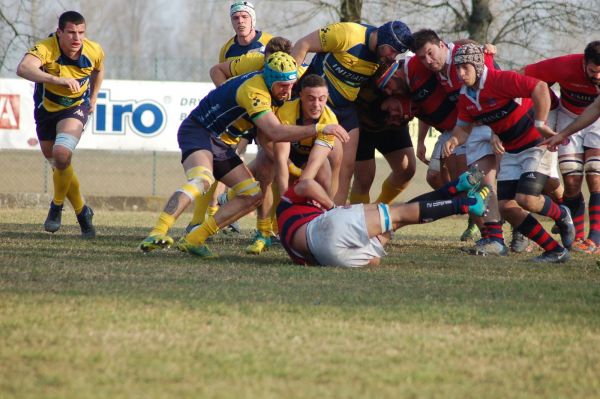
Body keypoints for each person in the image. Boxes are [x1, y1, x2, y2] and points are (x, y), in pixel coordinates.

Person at [139, 52, 349, 258]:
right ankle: (158, 232)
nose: (288, 91)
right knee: (201, 180)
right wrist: (319, 129)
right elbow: (275, 132)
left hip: (222, 143)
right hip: (199, 131)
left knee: (253, 195)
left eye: (291, 85)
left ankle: (195, 238)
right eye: (283, 86)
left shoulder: (285, 82)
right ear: (269, 79)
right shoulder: (254, 91)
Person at [443, 43, 576, 263]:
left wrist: (541, 122)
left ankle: (561, 214)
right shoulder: (466, 96)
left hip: (536, 144)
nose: (460, 73)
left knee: (526, 199)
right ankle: (555, 250)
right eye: (457, 69)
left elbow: (541, 87)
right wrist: (454, 140)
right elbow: (463, 126)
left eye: (465, 67)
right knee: (506, 207)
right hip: (512, 150)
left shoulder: (499, 80)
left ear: (477, 66)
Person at [291, 20, 413, 205]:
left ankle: (334, 219)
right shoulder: (348, 33)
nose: (393, 56)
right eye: (393, 50)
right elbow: (303, 44)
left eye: (398, 53)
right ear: (383, 39)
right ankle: (277, 221)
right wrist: (289, 85)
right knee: (301, 164)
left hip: (345, 109)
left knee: (345, 169)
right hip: (316, 104)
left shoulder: (381, 60)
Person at [411, 30, 507, 254]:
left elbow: (494, 84)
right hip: (469, 129)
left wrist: (497, 129)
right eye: (422, 58)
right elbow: (431, 109)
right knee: (468, 182)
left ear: (442, 45)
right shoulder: (439, 74)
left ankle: (518, 230)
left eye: (430, 53)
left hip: (497, 124)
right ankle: (490, 237)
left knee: (508, 182)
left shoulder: (463, 54)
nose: (428, 61)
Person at [276, 170, 491, 267]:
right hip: (324, 230)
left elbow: (373, 260)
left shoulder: (288, 220)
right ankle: (465, 204)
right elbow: (306, 184)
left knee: (399, 219)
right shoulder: (289, 198)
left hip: (330, 258)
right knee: (398, 213)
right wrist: (333, 208)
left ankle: (451, 190)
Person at [16, 11, 104, 239]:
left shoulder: (93, 50)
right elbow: (23, 68)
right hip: (46, 111)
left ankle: (56, 207)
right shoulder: (46, 48)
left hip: (75, 108)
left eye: (81, 33)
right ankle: (83, 212)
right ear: (60, 32)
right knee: (59, 165)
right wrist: (57, 79)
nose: (77, 38)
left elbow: (98, 69)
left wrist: (93, 97)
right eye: (72, 33)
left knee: (62, 154)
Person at [189, 1, 275, 235]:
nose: (240, 21)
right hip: (240, 114)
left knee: (270, 165)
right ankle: (200, 220)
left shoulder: (268, 43)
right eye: (236, 18)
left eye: (244, 17)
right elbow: (221, 73)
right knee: (222, 160)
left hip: (262, 111)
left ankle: (264, 225)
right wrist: (233, 99)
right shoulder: (228, 48)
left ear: (252, 19)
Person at [524, 41, 600, 254]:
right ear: (584, 62)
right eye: (593, 71)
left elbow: (596, 110)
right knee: (572, 179)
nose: (598, 77)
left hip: (598, 120)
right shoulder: (564, 65)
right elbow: (525, 76)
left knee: (595, 173)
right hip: (568, 117)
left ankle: (596, 238)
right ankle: (577, 237)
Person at [348, 64, 416, 205]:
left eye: (400, 116)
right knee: (364, 178)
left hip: (388, 129)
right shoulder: (371, 74)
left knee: (407, 169)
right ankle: (359, 220)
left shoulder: (407, 86)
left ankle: (379, 208)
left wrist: (402, 118)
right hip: (360, 127)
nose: (395, 113)